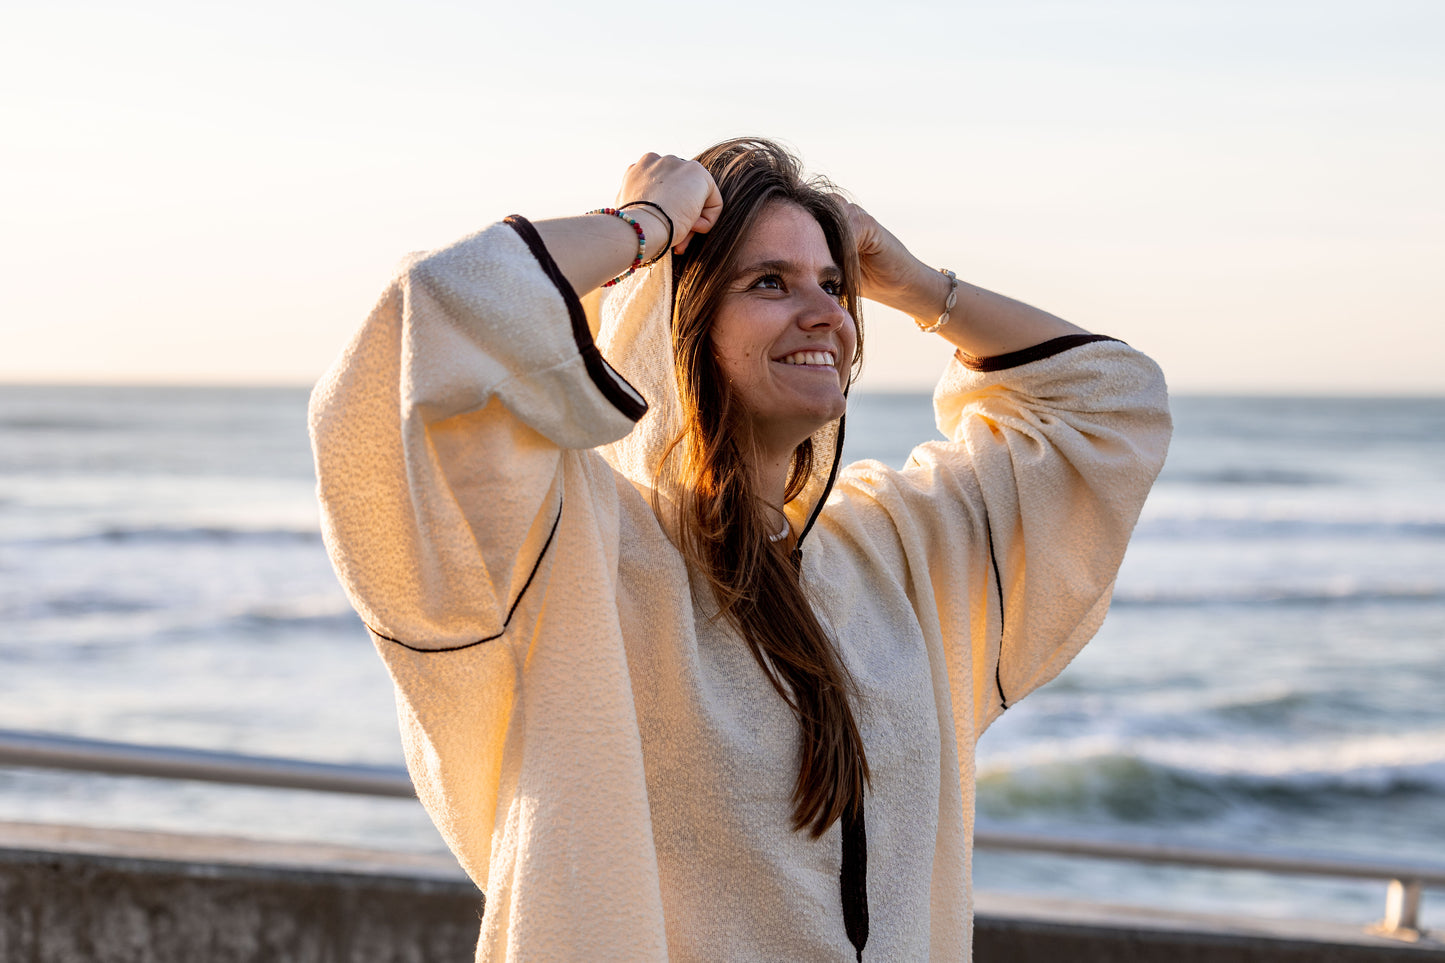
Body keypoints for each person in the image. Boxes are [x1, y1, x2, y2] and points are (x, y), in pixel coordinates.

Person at [309, 138, 1171, 962]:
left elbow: (1109, 404)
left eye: (834, 284)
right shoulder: (574, 547)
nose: (827, 312)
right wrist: (645, 223)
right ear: (681, 326)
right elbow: (424, 329)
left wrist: (910, 282)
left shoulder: (894, 551)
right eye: (769, 281)